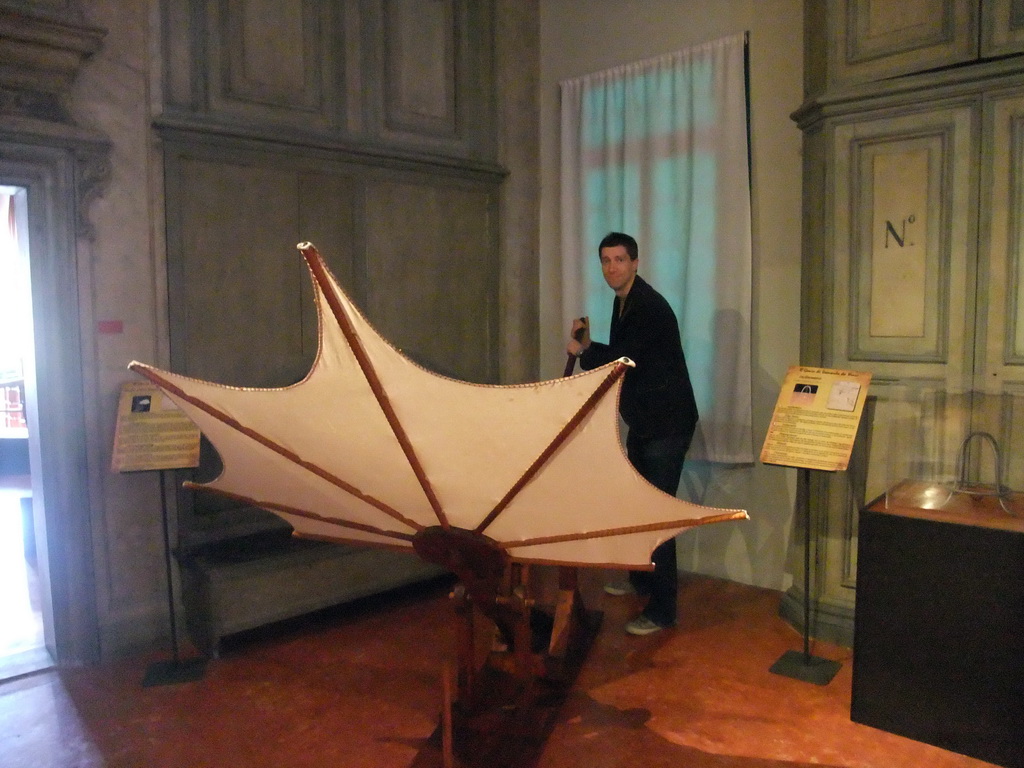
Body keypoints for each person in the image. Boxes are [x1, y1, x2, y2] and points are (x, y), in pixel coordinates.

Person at [566, 231, 698, 636]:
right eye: (606, 260)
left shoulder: (647, 306)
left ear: (636, 262)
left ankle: (663, 610)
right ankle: (643, 580)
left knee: (656, 514)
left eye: (620, 260)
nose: (612, 268)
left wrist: (586, 349)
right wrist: (591, 347)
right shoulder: (624, 300)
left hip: (666, 423)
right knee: (639, 505)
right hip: (647, 420)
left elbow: (628, 359)